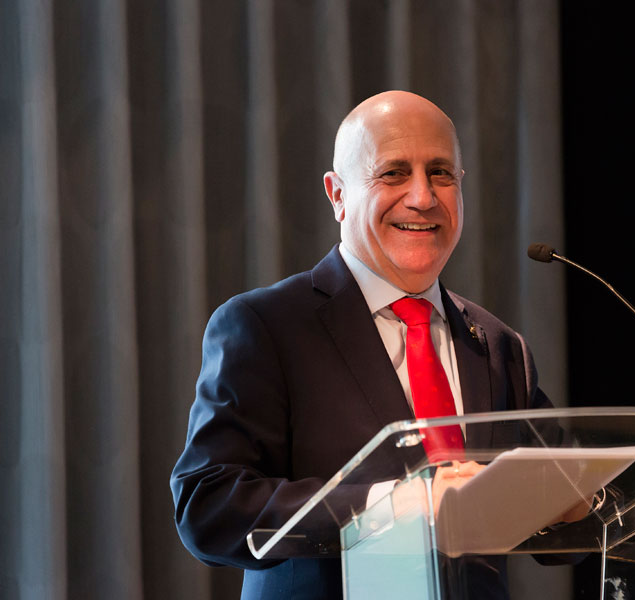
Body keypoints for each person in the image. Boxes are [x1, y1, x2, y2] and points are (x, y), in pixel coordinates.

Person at [171, 91, 561, 599]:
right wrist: (392, 506)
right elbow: (208, 505)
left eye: (441, 173)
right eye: (393, 173)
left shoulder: (497, 344)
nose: (423, 197)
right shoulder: (265, 326)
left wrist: (582, 500)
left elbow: (568, 502)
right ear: (337, 195)